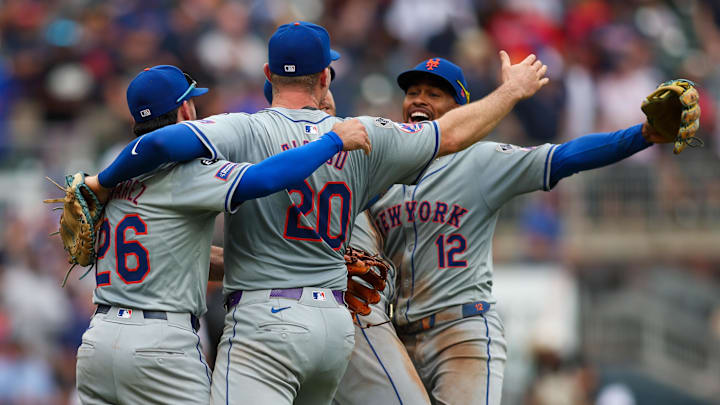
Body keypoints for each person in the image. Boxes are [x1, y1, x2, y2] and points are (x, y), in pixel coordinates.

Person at [85, 21, 549, 405]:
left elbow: (171, 148)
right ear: (326, 77)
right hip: (330, 322)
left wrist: (99, 183)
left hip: (251, 322)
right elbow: (447, 136)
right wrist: (510, 93)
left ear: (267, 72)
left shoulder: (236, 131)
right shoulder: (362, 131)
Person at [366, 57, 674, 405]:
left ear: (460, 108)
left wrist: (642, 135)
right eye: (413, 92)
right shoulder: (381, 171)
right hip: (398, 339)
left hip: (461, 334)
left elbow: (567, 156)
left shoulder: (482, 161)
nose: (419, 99)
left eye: (434, 94)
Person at [74, 64, 371, 404]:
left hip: (98, 343)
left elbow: (175, 257)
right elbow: (265, 179)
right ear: (186, 109)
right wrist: (333, 141)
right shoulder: (187, 172)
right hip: (159, 349)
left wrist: (280, 267)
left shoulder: (107, 180)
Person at [263, 82, 432, 405]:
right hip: (352, 316)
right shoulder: (343, 157)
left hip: (278, 315)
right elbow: (443, 140)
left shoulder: (264, 153)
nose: (325, 99)